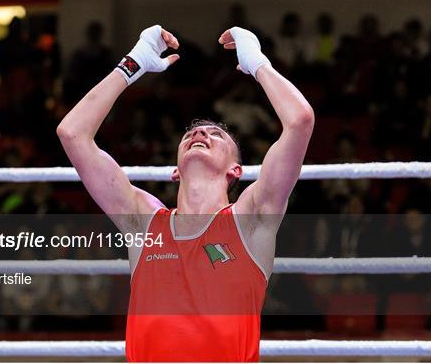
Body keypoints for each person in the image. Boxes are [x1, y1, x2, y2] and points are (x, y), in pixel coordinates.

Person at [57, 25, 314, 362]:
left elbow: (300, 121)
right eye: (191, 133)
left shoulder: (251, 222)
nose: (201, 134)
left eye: (216, 135)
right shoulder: (144, 224)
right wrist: (132, 64)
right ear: (175, 170)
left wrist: (258, 64)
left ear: (236, 171)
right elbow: (72, 133)